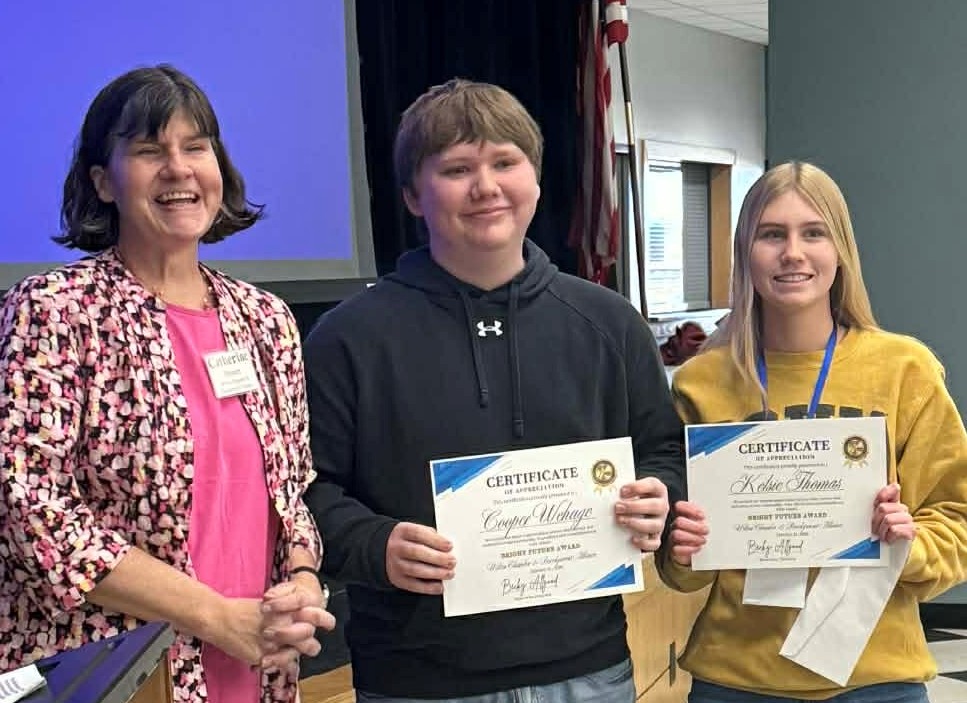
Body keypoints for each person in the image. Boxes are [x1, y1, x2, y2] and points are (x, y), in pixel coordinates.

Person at [302, 78, 686, 702]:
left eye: (505, 162)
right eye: (457, 169)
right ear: (412, 195)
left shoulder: (611, 323)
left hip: (589, 673)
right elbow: (304, 491)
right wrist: (375, 545)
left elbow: (664, 451)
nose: (486, 187)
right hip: (418, 682)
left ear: (535, 179)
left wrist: (658, 495)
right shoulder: (347, 338)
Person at [0, 65, 334, 703]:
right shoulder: (54, 310)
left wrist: (303, 578)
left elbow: (291, 493)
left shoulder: (266, 319)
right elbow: (33, 512)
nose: (178, 169)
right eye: (149, 151)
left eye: (195, 147)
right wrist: (214, 617)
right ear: (103, 181)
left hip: (255, 660)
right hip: (121, 670)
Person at [662, 161, 967, 702]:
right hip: (735, 680)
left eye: (813, 233)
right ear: (744, 250)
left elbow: (957, 518)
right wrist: (683, 550)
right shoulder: (700, 382)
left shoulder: (905, 370)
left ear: (841, 249)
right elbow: (680, 566)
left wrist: (908, 544)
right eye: (771, 234)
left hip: (875, 680)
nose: (793, 253)